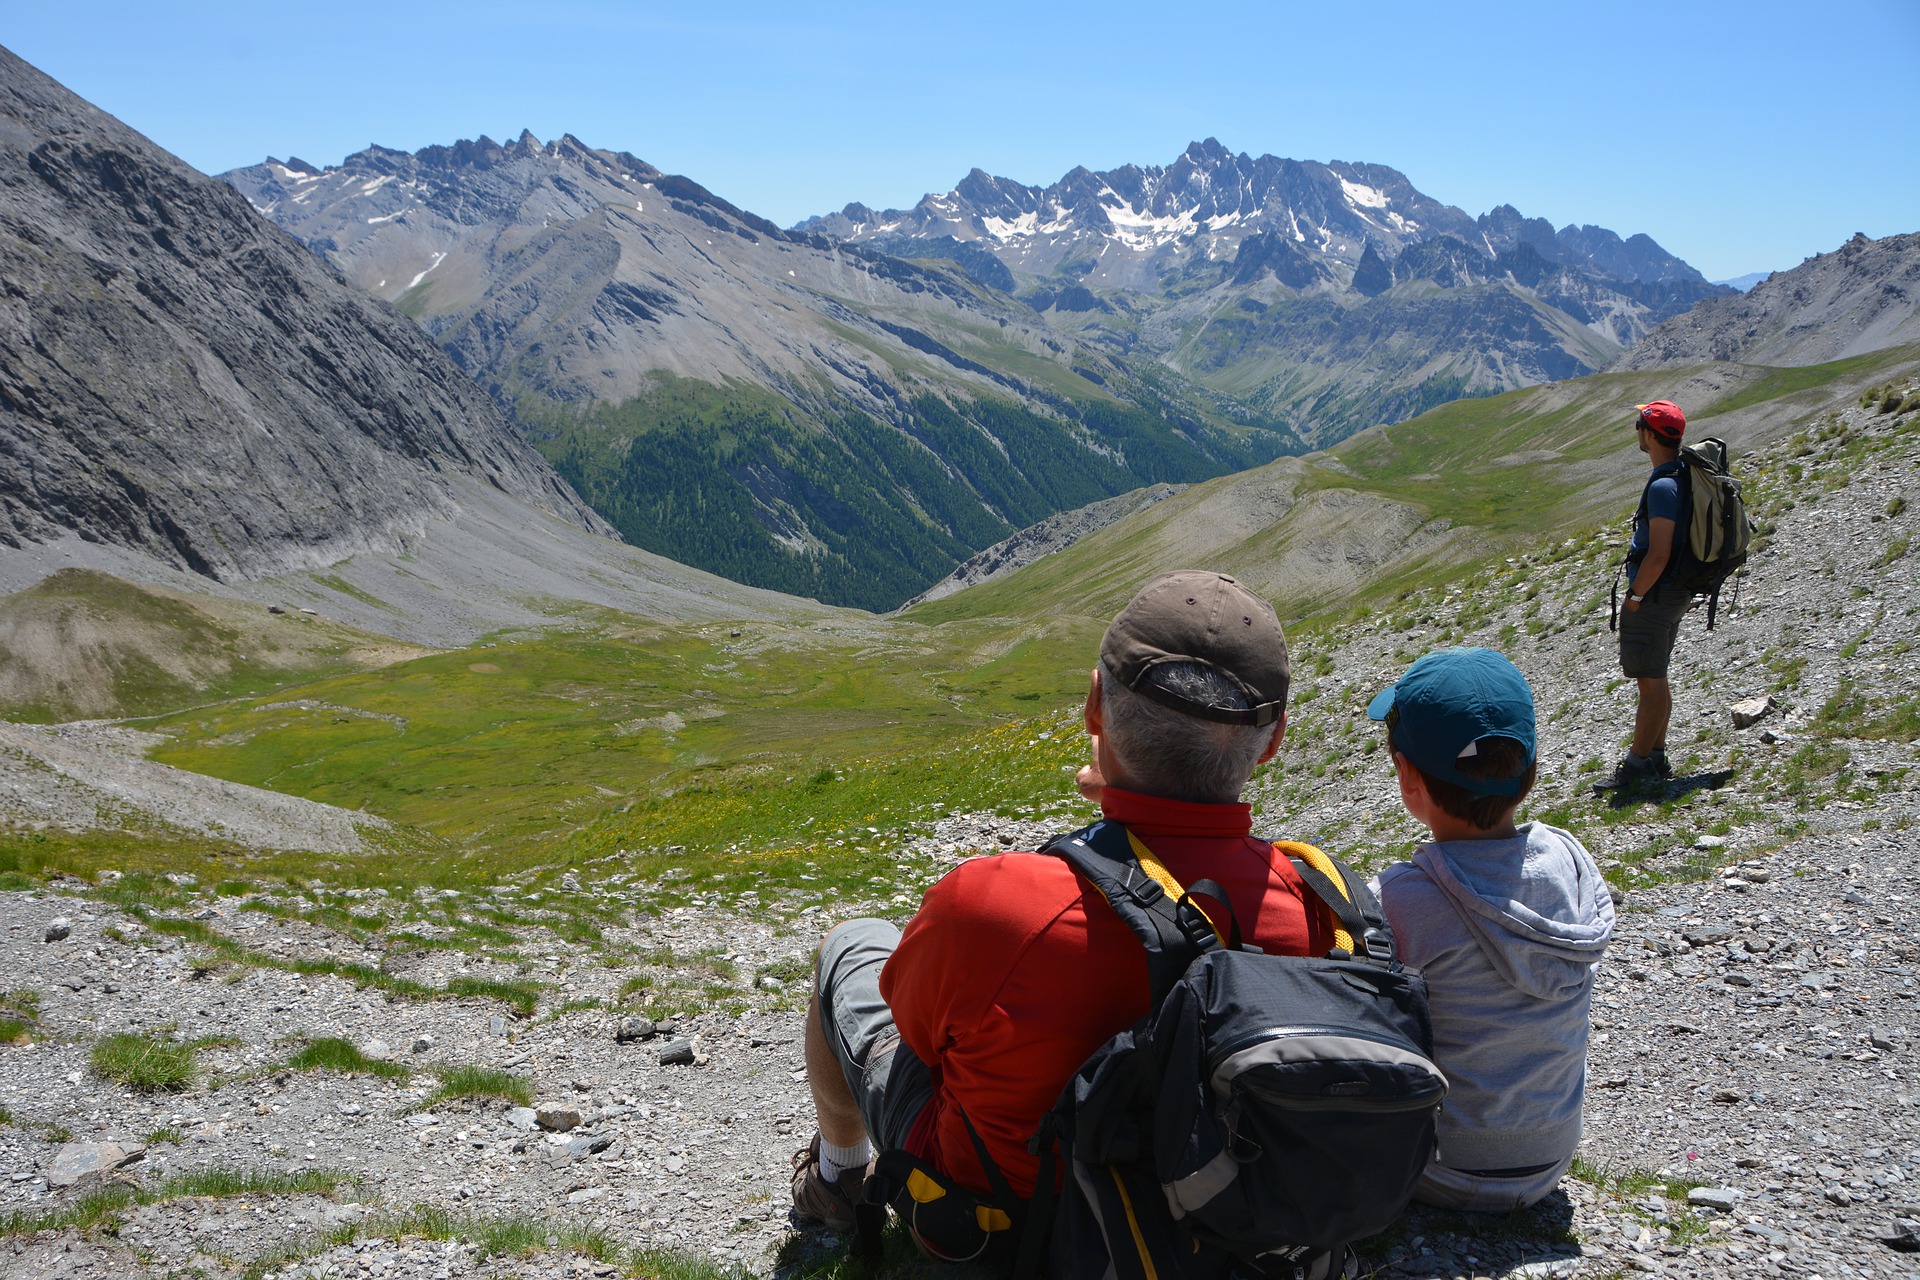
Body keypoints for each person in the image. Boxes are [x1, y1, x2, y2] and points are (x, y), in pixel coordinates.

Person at [791, 570, 1337, 1232]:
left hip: (1001, 1225)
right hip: (1213, 1223)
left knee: (846, 949)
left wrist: (1112, 830)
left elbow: (916, 1029)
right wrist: (1129, 821)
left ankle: (839, 1183)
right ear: (1273, 742)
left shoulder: (991, 902)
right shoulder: (1316, 908)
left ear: (1093, 707)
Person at [1366, 647, 1615, 1211]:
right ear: (1528, 771)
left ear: (1408, 778)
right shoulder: (1569, 864)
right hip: (1550, 1160)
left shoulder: (1404, 898)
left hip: (1442, 1168)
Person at [1607, 398, 1691, 786]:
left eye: (1639, 426)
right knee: (1656, 676)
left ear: (1648, 434)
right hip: (1675, 592)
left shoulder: (1662, 485)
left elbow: (1658, 553)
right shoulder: (1682, 474)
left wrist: (1635, 596)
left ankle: (1638, 765)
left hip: (1656, 595)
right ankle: (1655, 756)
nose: (1637, 433)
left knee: (1651, 682)